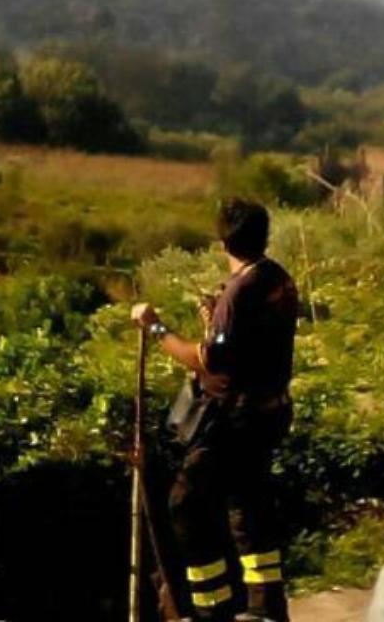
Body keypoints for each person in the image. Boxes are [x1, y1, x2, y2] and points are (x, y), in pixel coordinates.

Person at [132, 198, 298, 622]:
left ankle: (213, 609)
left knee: (186, 505)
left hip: (234, 420)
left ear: (223, 240)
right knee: (247, 504)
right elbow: (246, 344)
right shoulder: (278, 279)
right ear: (264, 235)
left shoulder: (239, 293)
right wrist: (216, 320)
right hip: (269, 413)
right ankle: (266, 607)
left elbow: (207, 360)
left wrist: (155, 327)